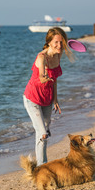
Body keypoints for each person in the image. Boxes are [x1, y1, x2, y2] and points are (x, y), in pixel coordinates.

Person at [23, 27, 74, 166]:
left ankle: (41, 164)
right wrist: (44, 78)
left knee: (42, 134)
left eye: (61, 42)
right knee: (43, 133)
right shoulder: (41, 57)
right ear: (49, 42)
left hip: (47, 100)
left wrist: (55, 99)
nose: (59, 45)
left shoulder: (58, 55)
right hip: (32, 98)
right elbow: (41, 76)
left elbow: (55, 79)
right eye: (56, 42)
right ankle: (42, 166)